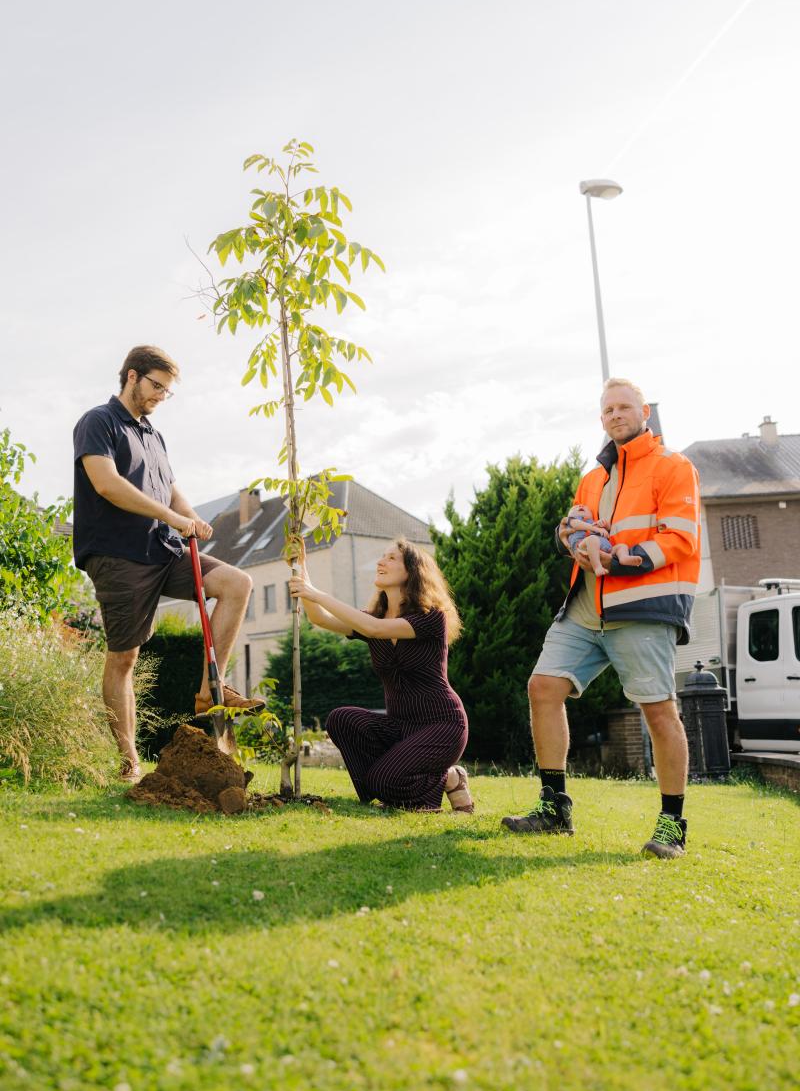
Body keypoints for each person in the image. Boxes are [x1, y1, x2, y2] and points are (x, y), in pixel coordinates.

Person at [501, 378, 701, 859]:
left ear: (644, 413)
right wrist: (580, 540)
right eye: (608, 409)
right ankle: (554, 810)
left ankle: (672, 825)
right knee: (543, 687)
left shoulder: (675, 467)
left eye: (624, 407)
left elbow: (680, 537)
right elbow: (573, 524)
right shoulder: (594, 477)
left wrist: (617, 556)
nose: (615, 415)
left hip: (642, 608)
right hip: (585, 606)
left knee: (657, 711)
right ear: (601, 418)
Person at [73, 345, 261, 782]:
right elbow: (106, 484)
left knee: (237, 583)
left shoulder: (153, 436)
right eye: (157, 386)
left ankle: (209, 690)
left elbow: (171, 490)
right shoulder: (98, 422)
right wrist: (172, 517)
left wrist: (190, 516)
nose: (161, 396)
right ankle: (129, 763)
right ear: (133, 376)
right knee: (125, 658)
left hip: (165, 550)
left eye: (167, 391)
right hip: (119, 555)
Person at [287, 536, 472, 812]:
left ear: (412, 571)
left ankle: (448, 778)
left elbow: (375, 629)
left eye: (391, 558)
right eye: (382, 557)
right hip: (399, 726)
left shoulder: (431, 618)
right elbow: (320, 618)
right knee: (342, 719)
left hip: (441, 726)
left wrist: (315, 593)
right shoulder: (375, 617)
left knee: (384, 779)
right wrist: (301, 567)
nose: (380, 562)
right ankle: (385, 790)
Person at [564, 504, 643, 576]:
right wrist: (594, 528)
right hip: (583, 546)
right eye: (575, 508)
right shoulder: (573, 521)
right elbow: (576, 525)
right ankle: (597, 567)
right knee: (592, 539)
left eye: (584, 506)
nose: (580, 506)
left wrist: (606, 525)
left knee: (621, 546)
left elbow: (608, 533)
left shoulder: (594, 523)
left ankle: (624, 558)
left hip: (606, 550)